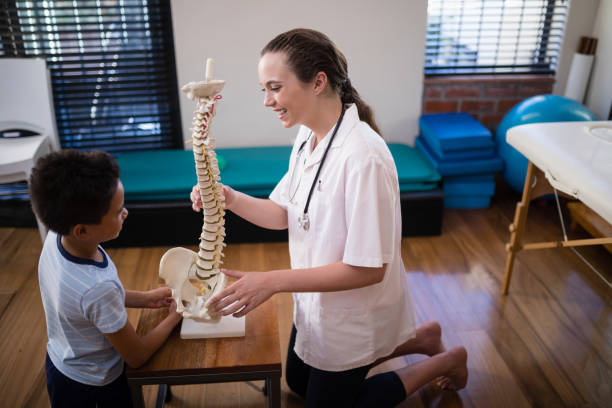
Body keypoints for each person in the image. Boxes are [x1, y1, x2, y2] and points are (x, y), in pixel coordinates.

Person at [191, 28, 468, 407]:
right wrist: (229, 199)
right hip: (317, 302)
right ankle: (421, 338)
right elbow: (285, 214)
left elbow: (368, 269)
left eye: (275, 87)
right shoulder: (307, 137)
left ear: (318, 82)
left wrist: (272, 281)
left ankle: (447, 359)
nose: (267, 101)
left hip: (353, 312)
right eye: (264, 90)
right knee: (300, 385)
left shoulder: (363, 157)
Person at [30, 149, 182, 408]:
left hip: (61, 362)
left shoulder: (56, 238)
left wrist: (144, 298)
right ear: (82, 230)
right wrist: (174, 317)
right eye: (117, 211)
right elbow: (137, 355)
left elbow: (87, 305)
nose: (126, 214)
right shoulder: (98, 289)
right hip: (96, 386)